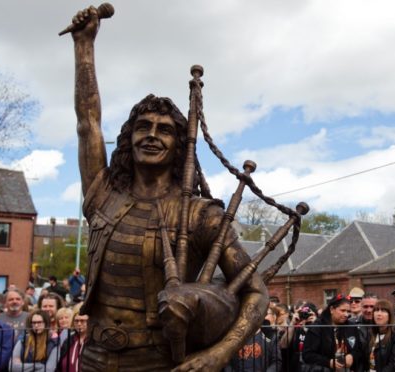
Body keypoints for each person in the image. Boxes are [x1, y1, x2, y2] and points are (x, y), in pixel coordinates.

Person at [68, 6, 268, 371]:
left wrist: (219, 353)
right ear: (129, 138)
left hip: (160, 362)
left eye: (164, 130)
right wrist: (84, 46)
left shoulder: (199, 214)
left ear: (179, 145)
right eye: (143, 127)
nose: (152, 136)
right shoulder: (102, 194)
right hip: (94, 358)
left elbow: (256, 291)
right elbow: (88, 122)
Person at [302, 294, 362, 371]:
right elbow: (307, 355)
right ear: (331, 309)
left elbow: (359, 349)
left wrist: (352, 356)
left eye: (348, 311)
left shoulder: (351, 327)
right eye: (343, 310)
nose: (346, 314)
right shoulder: (317, 327)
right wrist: (328, 362)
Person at [367, 299, 395, 372]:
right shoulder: (369, 333)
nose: (379, 314)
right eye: (376, 310)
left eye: (383, 311)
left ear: (390, 315)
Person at [279, 301, 317, 372]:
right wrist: (292, 323)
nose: (306, 316)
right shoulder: (296, 329)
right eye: (304, 314)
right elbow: (283, 345)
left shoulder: (319, 329)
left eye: (309, 314)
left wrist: (316, 324)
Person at [58, 305, 89, 372]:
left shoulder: (95, 342)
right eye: (76, 321)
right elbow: (59, 365)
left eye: (82, 321)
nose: (79, 323)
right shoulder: (68, 340)